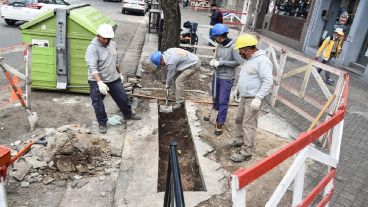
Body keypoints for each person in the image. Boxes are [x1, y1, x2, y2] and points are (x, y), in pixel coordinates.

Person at [85, 23, 141, 134]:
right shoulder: (92, 48)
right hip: (97, 81)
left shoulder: (113, 44)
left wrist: (119, 73)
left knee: (123, 98)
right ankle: (102, 122)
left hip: (113, 78)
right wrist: (100, 83)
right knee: (98, 103)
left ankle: (128, 115)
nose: (106, 41)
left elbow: (115, 60)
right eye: (104, 38)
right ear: (98, 35)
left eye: (108, 39)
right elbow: (93, 68)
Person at [229, 34, 273, 162]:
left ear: (248, 49)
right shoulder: (249, 59)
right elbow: (244, 75)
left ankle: (246, 152)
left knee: (249, 124)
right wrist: (237, 89)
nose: (240, 53)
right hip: (244, 96)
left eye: (241, 50)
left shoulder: (262, 61)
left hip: (253, 98)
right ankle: (239, 140)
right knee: (238, 119)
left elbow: (268, 81)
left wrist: (258, 98)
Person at [206, 23, 241, 135]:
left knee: (223, 100)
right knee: (215, 96)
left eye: (216, 37)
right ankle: (214, 114)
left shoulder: (234, 47)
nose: (215, 39)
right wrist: (214, 61)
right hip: (217, 74)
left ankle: (220, 122)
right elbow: (217, 57)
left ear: (220, 36)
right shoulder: (219, 45)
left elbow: (237, 62)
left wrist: (221, 63)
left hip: (227, 78)